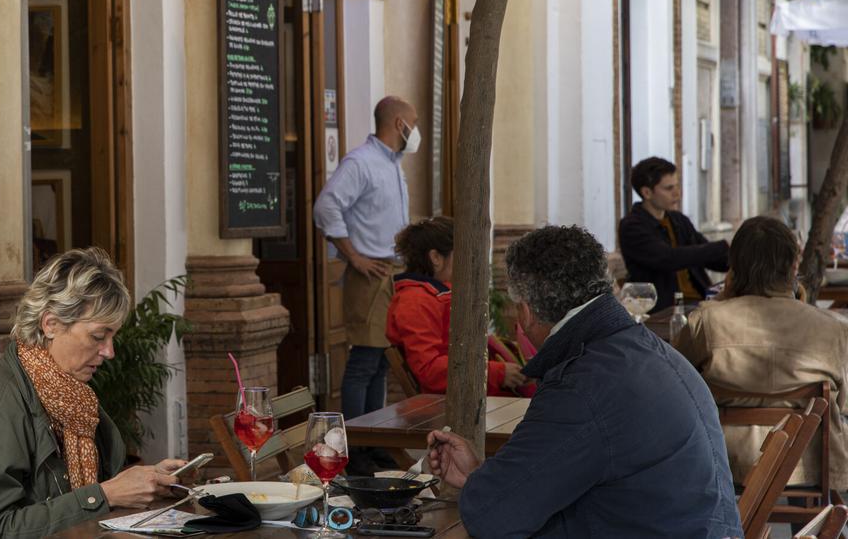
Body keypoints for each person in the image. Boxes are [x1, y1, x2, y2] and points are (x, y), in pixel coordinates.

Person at [426, 225, 740, 537]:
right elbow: (528, 483)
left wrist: (484, 489)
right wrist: (480, 477)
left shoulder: (583, 382)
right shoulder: (647, 349)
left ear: (526, 312)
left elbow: (492, 517)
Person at [0, 248, 187, 537]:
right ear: (51, 324)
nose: (109, 352)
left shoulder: (71, 397)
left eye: (112, 337)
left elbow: (84, 493)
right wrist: (104, 495)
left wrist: (144, 483)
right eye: (98, 336)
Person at [676, 216, 848, 491]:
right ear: (794, 267)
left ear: (733, 269)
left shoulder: (707, 321)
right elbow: (843, 404)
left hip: (725, 461)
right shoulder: (831, 328)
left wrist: (721, 300)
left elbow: (677, 381)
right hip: (809, 460)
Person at [313, 96, 417, 469]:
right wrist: (353, 255)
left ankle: (374, 438)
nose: (415, 132)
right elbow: (326, 206)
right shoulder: (361, 162)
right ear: (399, 123)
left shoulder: (391, 164)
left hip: (391, 271)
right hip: (369, 273)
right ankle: (353, 445)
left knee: (381, 362)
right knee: (364, 360)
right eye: (414, 123)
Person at [385, 216, 527, 396]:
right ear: (436, 257)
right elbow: (429, 370)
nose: (467, 260)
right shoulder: (415, 302)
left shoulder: (439, 292)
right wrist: (495, 373)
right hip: (447, 403)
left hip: (468, 392)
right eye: (460, 253)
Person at [618, 156, 728, 313]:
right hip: (663, 310)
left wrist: (738, 256)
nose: (677, 194)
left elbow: (709, 256)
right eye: (669, 188)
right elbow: (668, 258)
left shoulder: (678, 220)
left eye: (677, 186)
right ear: (647, 192)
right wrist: (720, 247)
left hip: (699, 301)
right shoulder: (632, 226)